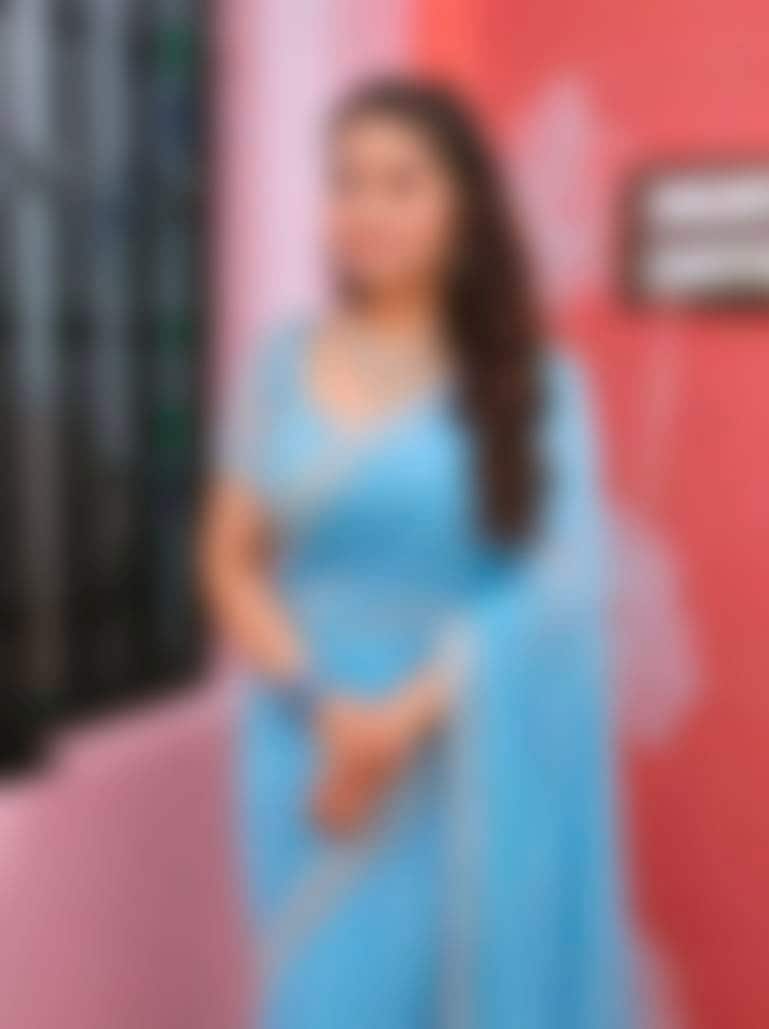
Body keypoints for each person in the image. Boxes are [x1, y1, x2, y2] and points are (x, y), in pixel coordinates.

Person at [201, 77, 630, 1029]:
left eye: (402, 183)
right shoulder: (279, 363)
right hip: (303, 732)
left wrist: (394, 723)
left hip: (462, 741)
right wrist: (323, 708)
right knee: (319, 997)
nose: (368, 209)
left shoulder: (535, 385)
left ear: (463, 205)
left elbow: (559, 586)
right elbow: (229, 560)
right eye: (347, 182)